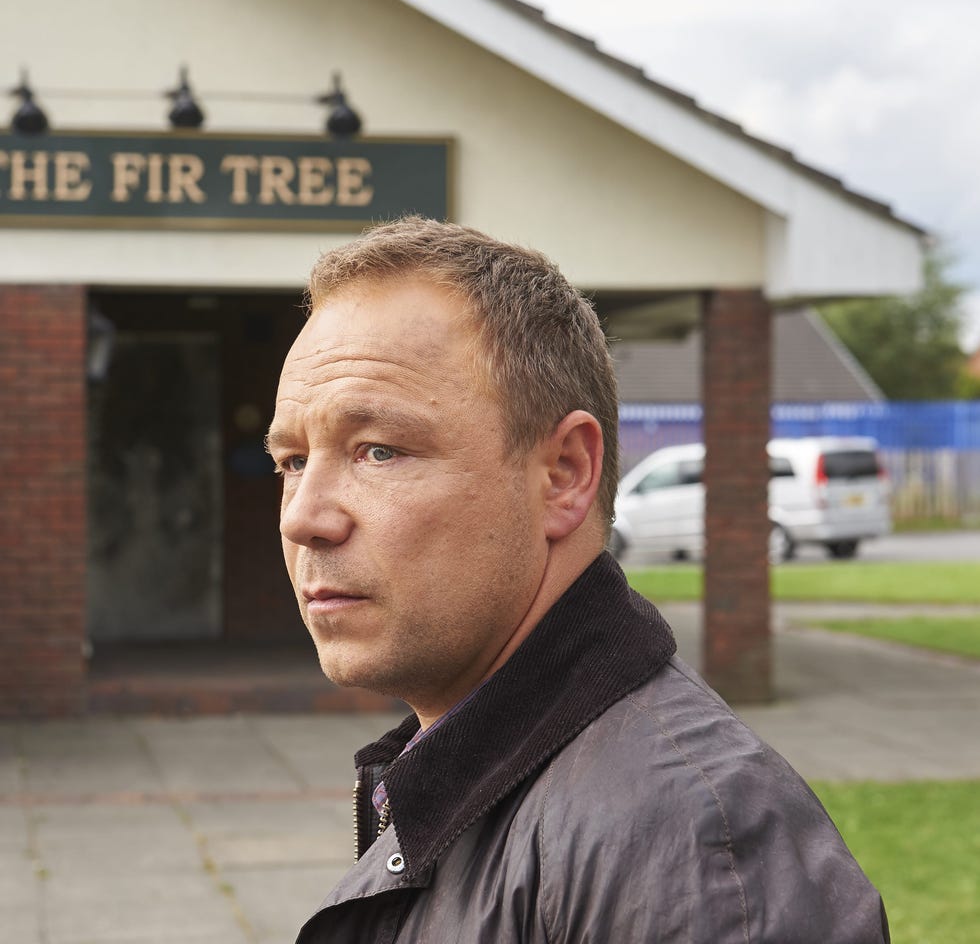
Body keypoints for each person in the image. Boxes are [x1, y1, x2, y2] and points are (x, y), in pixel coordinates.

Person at [266, 217, 889, 943]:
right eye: (293, 461)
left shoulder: (694, 853)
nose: (304, 519)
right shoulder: (476, 780)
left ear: (563, 474)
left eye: (379, 451)